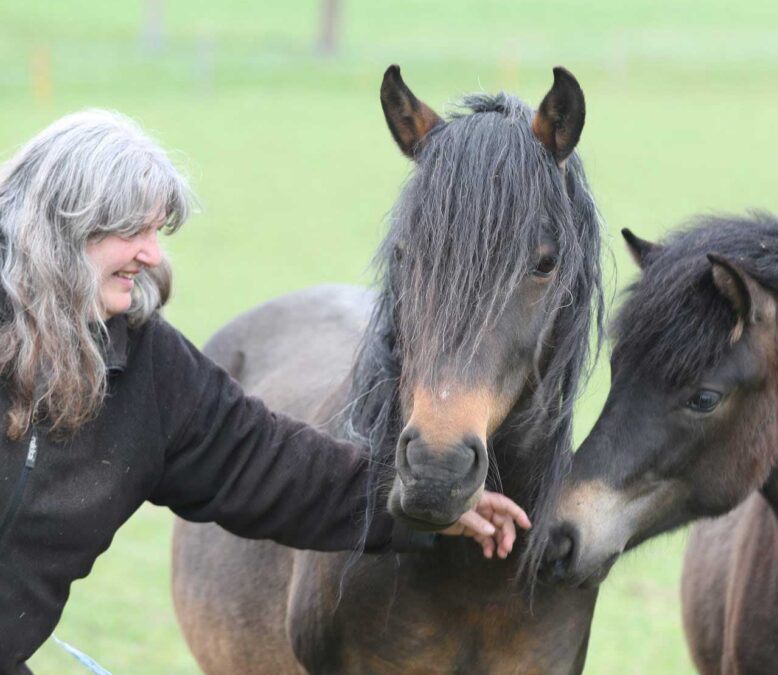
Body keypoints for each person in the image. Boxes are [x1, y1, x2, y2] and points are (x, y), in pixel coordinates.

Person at [0, 110, 530, 672]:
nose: (152, 254)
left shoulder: (144, 367)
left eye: (157, 232)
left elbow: (263, 464)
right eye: (132, 232)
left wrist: (415, 502)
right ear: (66, 225)